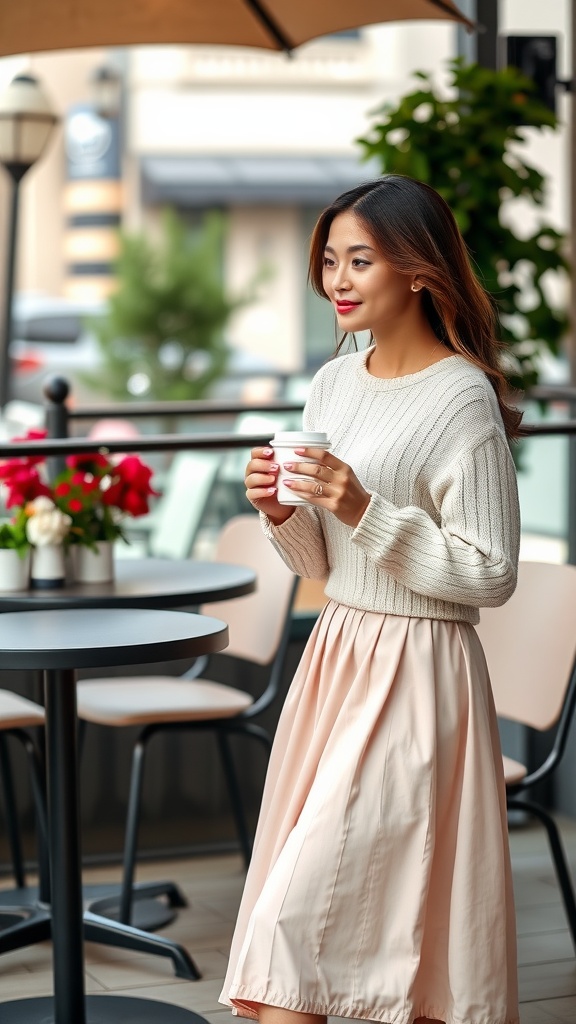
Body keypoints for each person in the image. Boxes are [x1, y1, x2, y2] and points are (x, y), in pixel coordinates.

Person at [219, 175, 522, 1024]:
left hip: (420, 672)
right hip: (339, 653)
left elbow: (491, 573)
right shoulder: (332, 384)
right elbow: (328, 564)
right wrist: (282, 512)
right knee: (335, 928)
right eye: (330, 260)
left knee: (299, 925)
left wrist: (359, 504)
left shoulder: (461, 395)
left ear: (419, 271)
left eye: (361, 260)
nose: (338, 280)